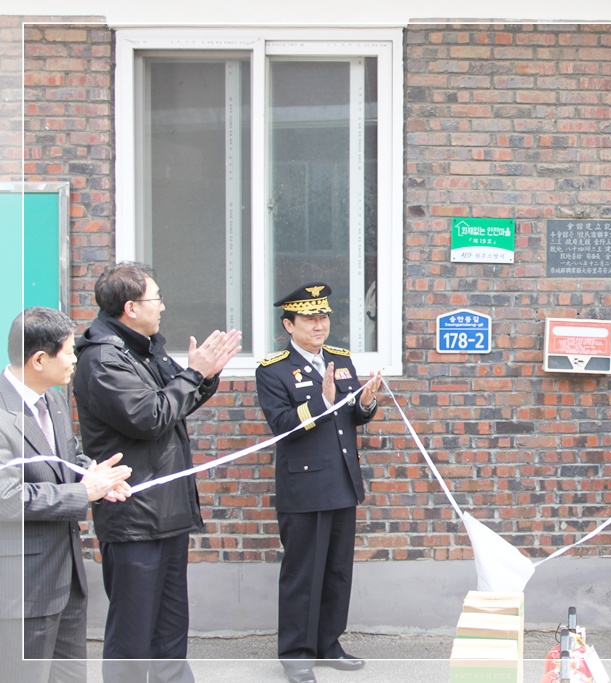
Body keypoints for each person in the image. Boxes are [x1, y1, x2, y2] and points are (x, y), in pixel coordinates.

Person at [72, 262, 240, 680]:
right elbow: (149, 416)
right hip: (135, 517)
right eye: (156, 298)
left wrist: (205, 377)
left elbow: (175, 403)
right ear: (131, 307)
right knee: (133, 635)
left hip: (165, 512)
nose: (162, 306)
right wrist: (195, 372)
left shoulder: (143, 347)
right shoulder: (103, 358)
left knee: (169, 629)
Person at [255, 282, 382, 683]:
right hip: (304, 488)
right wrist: (322, 402)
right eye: (309, 318)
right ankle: (296, 654)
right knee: (303, 574)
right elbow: (282, 425)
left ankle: (329, 644)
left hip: (342, 481)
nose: (319, 325)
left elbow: (351, 418)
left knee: (337, 571)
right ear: (288, 325)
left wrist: (366, 403)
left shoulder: (341, 360)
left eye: (323, 316)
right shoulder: (272, 369)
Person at [0, 307, 132, 683]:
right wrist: (81, 492)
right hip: (22, 587)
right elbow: (7, 497)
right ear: (40, 360)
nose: (75, 359)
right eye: (70, 352)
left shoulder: (54, 399)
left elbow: (67, 456)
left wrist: (95, 476)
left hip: (66, 579)